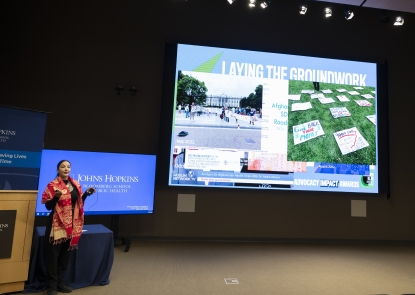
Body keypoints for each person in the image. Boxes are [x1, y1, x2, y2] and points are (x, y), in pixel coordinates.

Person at [41, 160, 96, 295]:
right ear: (58, 169)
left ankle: (61, 283)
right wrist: (56, 197)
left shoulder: (76, 184)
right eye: (63, 166)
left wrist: (86, 194)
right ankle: (52, 287)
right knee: (53, 256)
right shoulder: (52, 185)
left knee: (65, 255)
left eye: (68, 166)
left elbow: (78, 203)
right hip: (57, 223)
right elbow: (48, 206)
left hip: (72, 223)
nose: (66, 169)